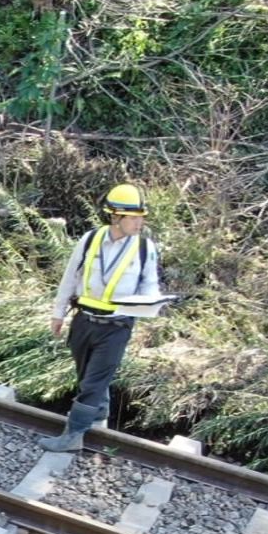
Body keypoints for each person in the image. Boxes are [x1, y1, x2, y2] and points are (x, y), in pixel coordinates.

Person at [37, 183, 162, 452]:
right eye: (134, 217)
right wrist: (58, 313)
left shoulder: (144, 248)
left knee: (93, 383)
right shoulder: (90, 239)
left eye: (141, 217)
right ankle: (99, 416)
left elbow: (150, 287)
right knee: (87, 378)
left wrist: (151, 303)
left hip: (117, 326)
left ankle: (73, 436)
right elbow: (70, 278)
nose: (140, 222)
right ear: (116, 217)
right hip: (84, 321)